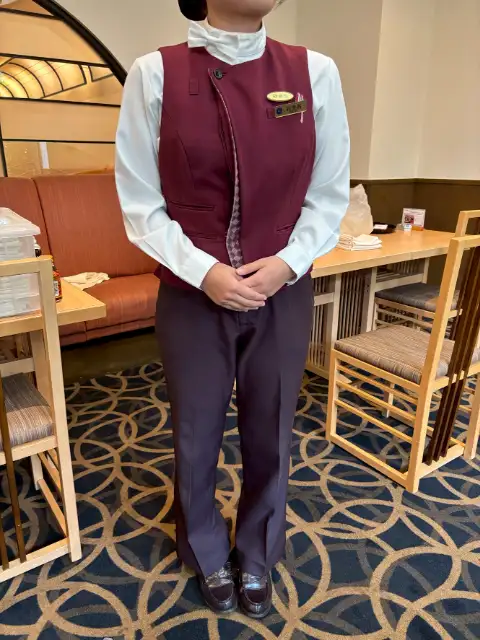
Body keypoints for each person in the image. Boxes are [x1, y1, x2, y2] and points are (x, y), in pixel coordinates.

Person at [115, 0, 350, 619]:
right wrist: (205, 272)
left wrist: (287, 264)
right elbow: (140, 203)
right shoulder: (154, 73)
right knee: (195, 432)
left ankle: (258, 551)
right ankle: (204, 547)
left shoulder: (315, 72)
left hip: (283, 289)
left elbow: (328, 194)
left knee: (272, 429)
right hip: (192, 293)